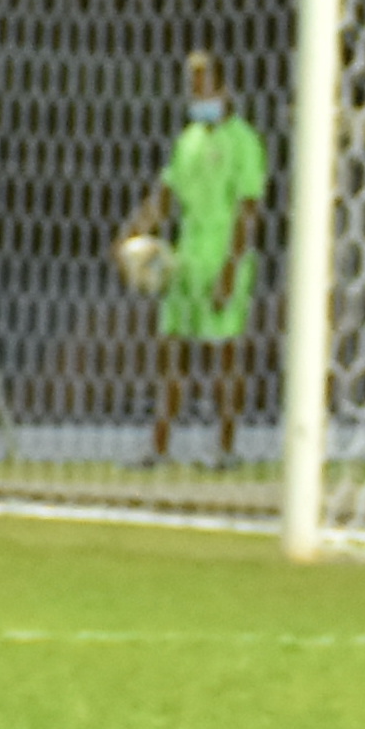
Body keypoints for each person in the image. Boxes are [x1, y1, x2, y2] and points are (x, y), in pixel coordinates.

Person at [120, 46, 266, 466]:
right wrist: (132, 233)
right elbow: (165, 195)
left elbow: (248, 209)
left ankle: (225, 449)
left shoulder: (243, 141)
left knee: (224, 356)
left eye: (202, 81)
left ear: (223, 86)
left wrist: (230, 270)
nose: (195, 90)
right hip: (183, 260)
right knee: (172, 352)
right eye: (190, 83)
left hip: (224, 260)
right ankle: (159, 448)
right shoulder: (188, 139)